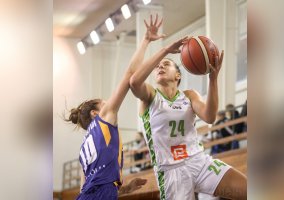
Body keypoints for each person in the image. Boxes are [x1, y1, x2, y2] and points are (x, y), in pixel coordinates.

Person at [129, 36, 247, 199]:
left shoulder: (189, 96)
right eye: (157, 66)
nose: (160, 66)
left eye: (166, 64)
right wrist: (165, 51)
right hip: (171, 172)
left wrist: (213, 80)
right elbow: (134, 81)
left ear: (177, 75)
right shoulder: (150, 96)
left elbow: (210, 117)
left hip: (199, 161)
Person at [64, 15, 165, 199]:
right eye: (104, 102)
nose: (109, 104)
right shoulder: (103, 119)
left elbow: (84, 189)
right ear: (96, 113)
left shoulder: (84, 148)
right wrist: (145, 41)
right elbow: (130, 75)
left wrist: (126, 188)